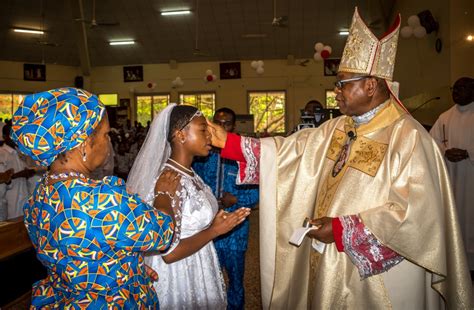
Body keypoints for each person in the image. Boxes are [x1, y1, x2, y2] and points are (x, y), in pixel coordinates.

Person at [207, 8, 472, 309]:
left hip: (383, 277)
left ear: (370, 85)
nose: (336, 91)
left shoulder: (408, 138)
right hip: (331, 260)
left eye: (343, 83)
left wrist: (340, 230)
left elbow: (417, 216)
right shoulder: (338, 128)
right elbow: (290, 153)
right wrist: (228, 142)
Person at [10, 87, 176, 308]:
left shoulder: (41, 194)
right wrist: (163, 194)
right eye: (106, 134)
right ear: (84, 143)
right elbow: (163, 233)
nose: (108, 142)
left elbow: (80, 253)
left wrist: (127, 264)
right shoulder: (102, 200)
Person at [127, 104, 251, 309]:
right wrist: (215, 230)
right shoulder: (169, 180)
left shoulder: (190, 173)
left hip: (199, 259)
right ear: (180, 135)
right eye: (203, 129)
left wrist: (217, 219)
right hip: (179, 271)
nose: (210, 136)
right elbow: (169, 252)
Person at [192, 107, 259, 310]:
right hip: (208, 229)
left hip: (236, 232)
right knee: (209, 280)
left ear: (233, 125)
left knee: (236, 281)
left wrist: (236, 199)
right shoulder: (204, 153)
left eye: (226, 123)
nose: (221, 127)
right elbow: (194, 184)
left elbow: (257, 193)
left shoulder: (243, 154)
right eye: (218, 122)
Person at [430, 77, 474, 278]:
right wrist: (445, 151)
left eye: (462, 88)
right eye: (454, 88)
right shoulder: (445, 117)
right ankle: (458, 264)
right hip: (452, 177)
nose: (457, 91)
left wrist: (469, 153)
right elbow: (432, 143)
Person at [0, 123, 34, 219]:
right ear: (4, 137)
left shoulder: (19, 151)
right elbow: (3, 177)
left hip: (23, 195)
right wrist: (19, 175)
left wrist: (28, 172)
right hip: (10, 199)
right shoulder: (2, 153)